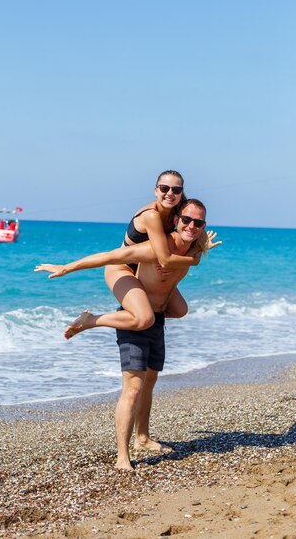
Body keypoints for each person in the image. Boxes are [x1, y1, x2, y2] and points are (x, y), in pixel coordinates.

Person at [35, 199, 221, 470]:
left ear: (204, 227)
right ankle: (122, 456)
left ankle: (142, 438)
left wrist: (197, 253)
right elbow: (113, 257)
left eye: (198, 223)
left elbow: (191, 257)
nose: (191, 226)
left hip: (157, 319)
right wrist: (67, 267)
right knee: (132, 388)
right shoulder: (157, 249)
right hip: (136, 320)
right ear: (177, 220)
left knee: (151, 380)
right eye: (187, 220)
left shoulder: (195, 248)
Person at [44, 170, 204, 338]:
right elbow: (162, 259)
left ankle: (134, 314)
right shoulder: (151, 215)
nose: (170, 193)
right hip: (121, 267)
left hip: (143, 268)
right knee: (144, 319)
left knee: (179, 310)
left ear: (181, 193)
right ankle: (91, 320)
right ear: (156, 190)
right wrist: (66, 267)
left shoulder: (183, 214)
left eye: (176, 190)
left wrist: (196, 252)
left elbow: (198, 237)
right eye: (164, 188)